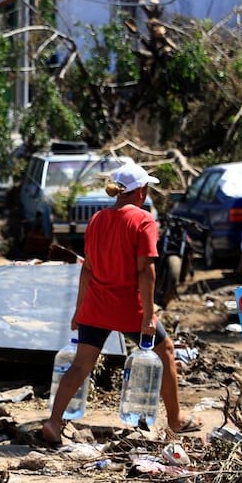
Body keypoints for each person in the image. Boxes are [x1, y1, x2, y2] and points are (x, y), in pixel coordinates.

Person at [41, 162, 201, 445]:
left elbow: (87, 269)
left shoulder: (97, 219)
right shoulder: (143, 220)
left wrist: (79, 310)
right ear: (141, 191)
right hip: (130, 309)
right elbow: (145, 271)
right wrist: (150, 315)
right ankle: (175, 420)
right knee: (165, 350)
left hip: (96, 307)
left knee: (80, 366)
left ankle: (53, 423)